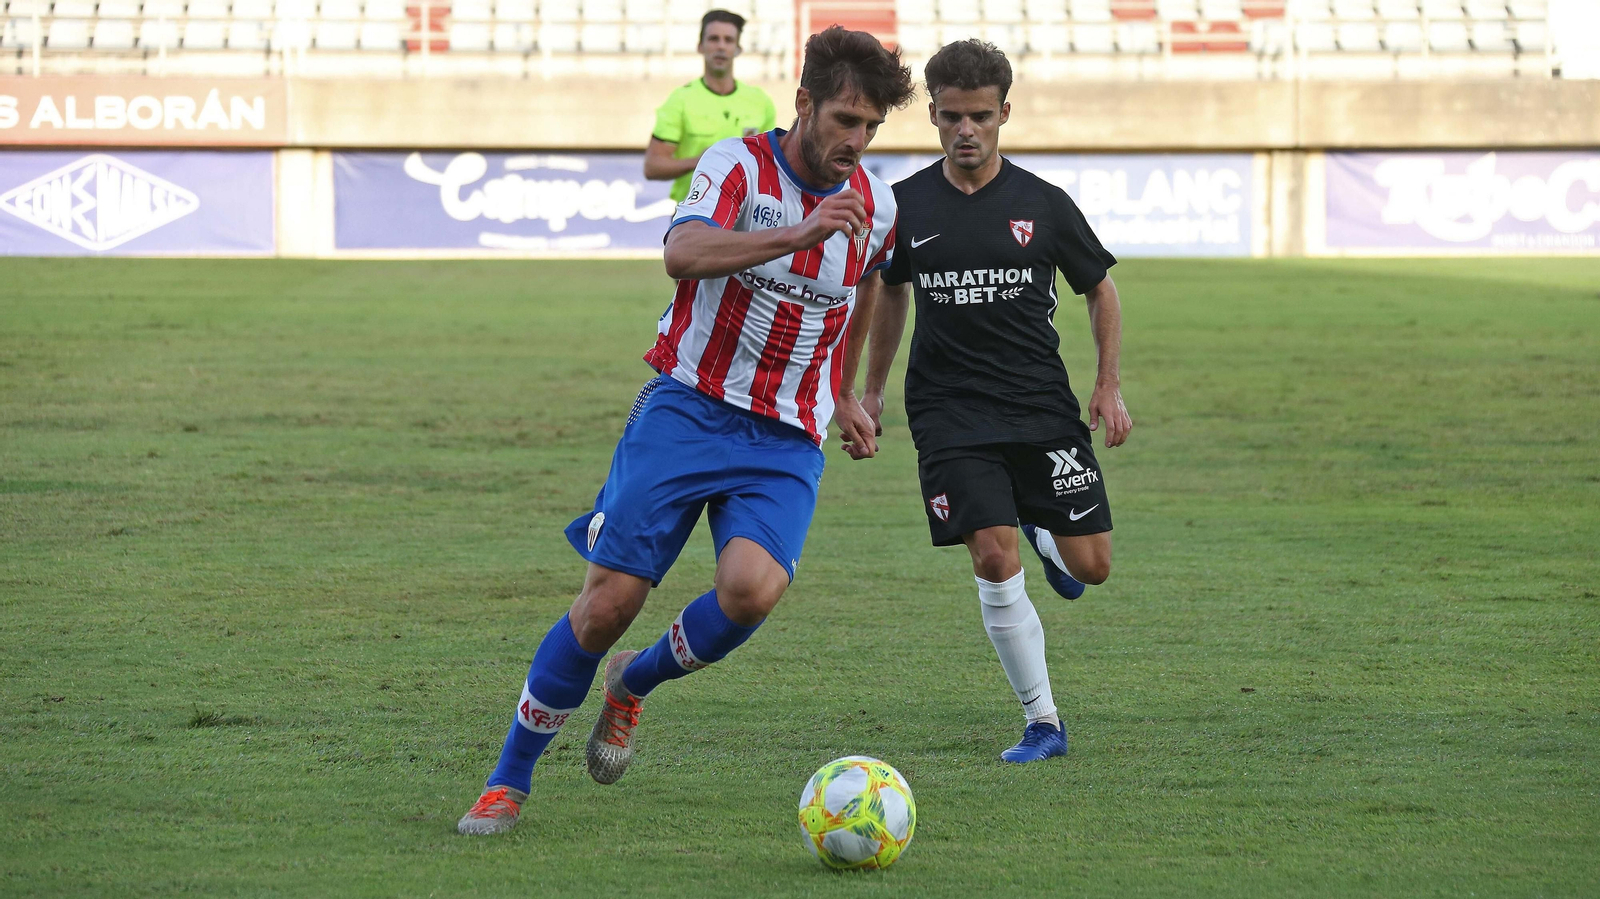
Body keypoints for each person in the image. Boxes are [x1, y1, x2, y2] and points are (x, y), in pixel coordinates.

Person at [458, 26, 915, 836]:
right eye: (845, 119)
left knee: (752, 591)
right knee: (607, 606)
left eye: (871, 126)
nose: (857, 139)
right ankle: (507, 780)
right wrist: (800, 232)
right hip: (688, 408)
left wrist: (851, 393)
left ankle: (632, 683)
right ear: (804, 103)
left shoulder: (876, 205)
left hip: (785, 437)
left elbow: (870, 286)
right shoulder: (737, 166)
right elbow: (683, 250)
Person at [844, 39, 1134, 764]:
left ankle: (1045, 533)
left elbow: (1100, 289)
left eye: (979, 116)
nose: (965, 130)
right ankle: (1043, 722)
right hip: (948, 411)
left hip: (1040, 405)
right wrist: (872, 391)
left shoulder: (1044, 203)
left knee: (1093, 565)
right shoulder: (903, 205)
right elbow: (888, 290)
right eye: (951, 117)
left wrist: (1106, 384)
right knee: (993, 555)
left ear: (1005, 112)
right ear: (933, 117)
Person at [644, 9, 778, 203]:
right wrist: (698, 161)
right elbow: (652, 166)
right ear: (700, 46)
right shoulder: (680, 100)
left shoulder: (760, 101)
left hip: (744, 212)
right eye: (714, 39)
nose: (721, 46)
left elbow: (770, 164)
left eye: (728, 40)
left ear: (738, 49)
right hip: (693, 213)